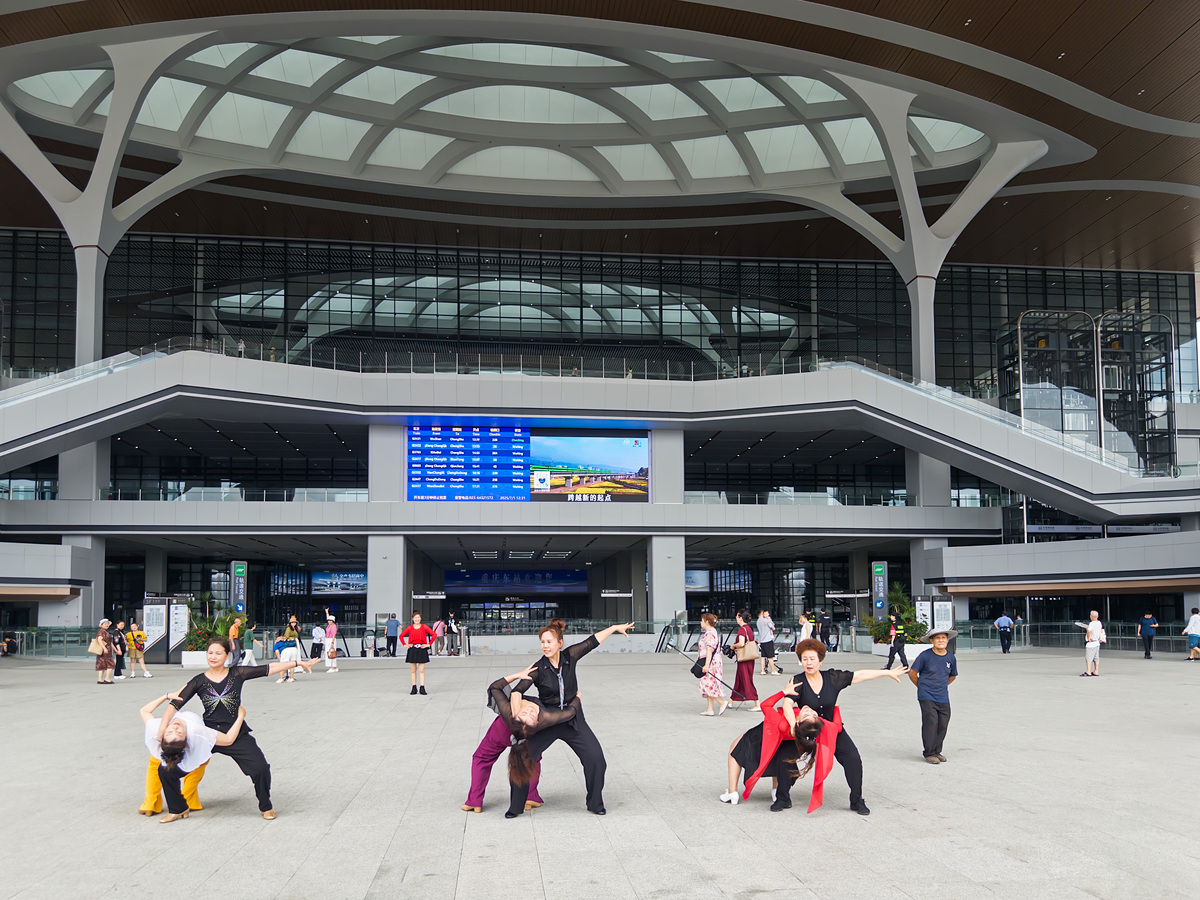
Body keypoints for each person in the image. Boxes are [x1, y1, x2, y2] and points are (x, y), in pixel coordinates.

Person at [160, 636, 317, 819]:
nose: (213, 656)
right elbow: (175, 704)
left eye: (218, 653)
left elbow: (268, 669)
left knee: (261, 769)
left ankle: (265, 806)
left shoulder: (237, 674)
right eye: (210, 653)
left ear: (227, 655)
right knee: (166, 769)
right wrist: (162, 729)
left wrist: (298, 663)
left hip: (237, 733)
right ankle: (178, 808)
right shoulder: (199, 681)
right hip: (209, 734)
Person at [505, 618, 635, 817]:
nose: (545, 646)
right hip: (548, 722)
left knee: (596, 760)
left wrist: (615, 628)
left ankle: (595, 803)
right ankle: (515, 807)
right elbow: (516, 693)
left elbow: (593, 641)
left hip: (574, 721)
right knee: (522, 758)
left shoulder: (570, 657)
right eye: (542, 642)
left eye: (549, 642)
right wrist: (517, 721)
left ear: (560, 643)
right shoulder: (538, 669)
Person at [786, 638, 906, 815]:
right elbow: (787, 703)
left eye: (812, 659)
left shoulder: (833, 678)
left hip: (831, 730)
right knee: (784, 757)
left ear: (820, 660)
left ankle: (856, 800)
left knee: (853, 759)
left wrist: (886, 673)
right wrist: (791, 724)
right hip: (807, 731)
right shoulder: (797, 680)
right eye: (804, 659)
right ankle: (782, 796)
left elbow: (860, 675)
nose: (808, 663)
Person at [461, 664, 581, 813]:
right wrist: (576, 698)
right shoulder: (544, 719)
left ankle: (474, 800)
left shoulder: (508, 711)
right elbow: (569, 713)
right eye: (526, 714)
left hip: (500, 731)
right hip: (525, 733)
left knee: (482, 758)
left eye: (527, 715)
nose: (529, 712)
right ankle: (530, 796)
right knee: (533, 758)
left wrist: (518, 675)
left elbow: (495, 688)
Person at [139, 692, 245, 823]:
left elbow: (144, 710)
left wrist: (240, 716)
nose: (174, 727)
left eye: (175, 732)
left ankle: (171, 803)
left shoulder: (188, 732)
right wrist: (241, 716)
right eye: (173, 732)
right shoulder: (171, 730)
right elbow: (228, 739)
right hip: (174, 751)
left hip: (195, 755)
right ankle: (161, 803)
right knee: (159, 767)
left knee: (187, 772)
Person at [720, 681, 825, 811]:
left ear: (798, 723)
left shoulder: (782, 722)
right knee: (779, 757)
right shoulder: (808, 730)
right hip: (779, 741)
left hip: (761, 735)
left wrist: (784, 692)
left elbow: (766, 705)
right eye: (814, 714)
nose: (810, 711)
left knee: (734, 752)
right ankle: (776, 791)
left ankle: (732, 792)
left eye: (808, 715)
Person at [908, 627, 958, 764]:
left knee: (943, 724)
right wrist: (922, 686)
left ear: (947, 640)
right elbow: (912, 673)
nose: (940, 640)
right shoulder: (925, 656)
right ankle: (929, 753)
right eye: (937, 638)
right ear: (932, 640)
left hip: (943, 696)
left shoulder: (950, 657)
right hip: (926, 696)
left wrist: (942, 685)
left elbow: (953, 676)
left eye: (943, 638)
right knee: (931, 723)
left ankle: (937, 751)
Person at [697, 613, 729, 716]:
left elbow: (709, 649)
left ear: (706, 622)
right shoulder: (712, 632)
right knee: (710, 684)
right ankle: (709, 709)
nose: (700, 622)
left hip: (711, 662)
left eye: (702, 620)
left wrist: (706, 665)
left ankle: (722, 702)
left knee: (706, 684)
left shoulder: (710, 633)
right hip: (714, 661)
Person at [399, 611, 437, 694]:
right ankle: (414, 686)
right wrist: (405, 644)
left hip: (422, 648)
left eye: (418, 617)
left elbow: (434, 634)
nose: (417, 619)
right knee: (413, 670)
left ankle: (422, 687)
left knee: (421, 669)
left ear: (420, 618)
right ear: (413, 619)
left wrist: (428, 644)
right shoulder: (410, 628)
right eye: (415, 617)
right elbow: (401, 636)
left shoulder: (424, 627)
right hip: (412, 648)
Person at [731, 610, 758, 703]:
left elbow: (741, 643)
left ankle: (756, 702)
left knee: (746, 679)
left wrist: (733, 645)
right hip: (749, 658)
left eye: (737, 617)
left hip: (744, 658)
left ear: (741, 618)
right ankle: (731, 700)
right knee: (740, 679)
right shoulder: (749, 629)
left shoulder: (742, 629)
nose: (736, 618)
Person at [1074, 611, 1103, 676]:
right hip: (1097, 643)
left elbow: (1089, 631)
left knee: (1089, 658)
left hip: (1091, 644)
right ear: (1097, 616)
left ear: (1090, 616)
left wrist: (1089, 638)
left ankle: (1088, 671)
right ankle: (1096, 671)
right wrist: (1101, 638)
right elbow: (1100, 631)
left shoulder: (1092, 624)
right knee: (1096, 658)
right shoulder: (1099, 623)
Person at [276, 616, 302, 682]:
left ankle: (289, 677)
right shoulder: (288, 629)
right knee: (288, 663)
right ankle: (287, 678)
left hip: (294, 644)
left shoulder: (295, 629)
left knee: (291, 663)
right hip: (291, 643)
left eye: (295, 622)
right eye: (292, 622)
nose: (294, 623)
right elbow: (286, 637)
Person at [756, 609, 780, 676]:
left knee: (763, 657)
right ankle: (773, 671)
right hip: (768, 640)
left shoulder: (758, 621)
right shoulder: (766, 620)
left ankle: (762, 671)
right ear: (761, 613)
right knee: (770, 657)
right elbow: (773, 628)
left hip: (762, 641)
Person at [93, 619, 115, 684]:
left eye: (107, 624)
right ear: (101, 625)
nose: (107, 625)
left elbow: (110, 642)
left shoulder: (104, 632)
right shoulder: (102, 632)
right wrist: (104, 648)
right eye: (105, 624)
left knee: (102, 664)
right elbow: (99, 640)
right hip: (105, 650)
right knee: (110, 664)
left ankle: (100, 679)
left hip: (103, 651)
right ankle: (107, 678)